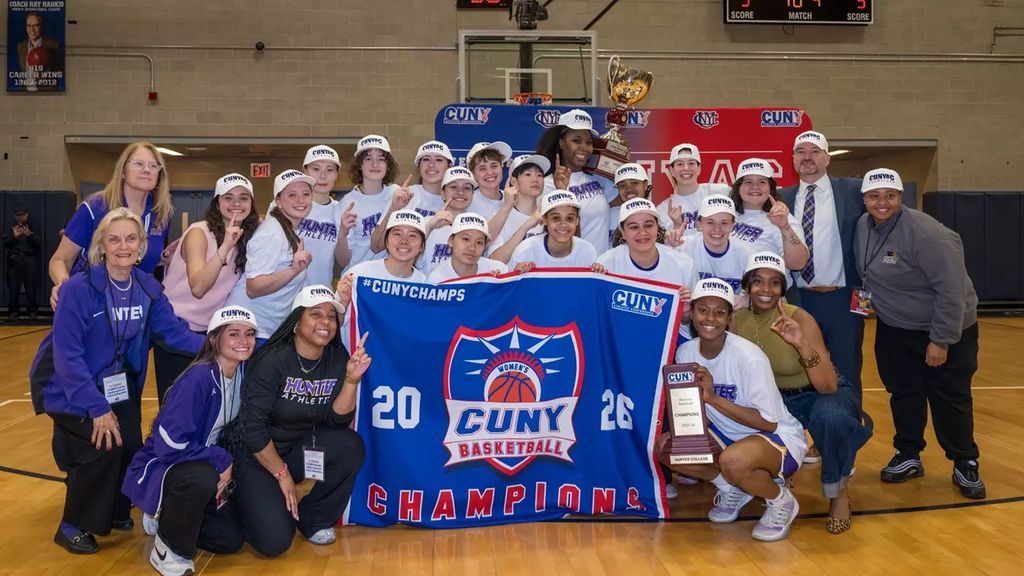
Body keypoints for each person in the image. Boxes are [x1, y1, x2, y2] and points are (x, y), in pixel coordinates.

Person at [28, 208, 203, 555]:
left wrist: (228, 346)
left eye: (131, 238)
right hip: (67, 386)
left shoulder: (148, 287)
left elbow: (176, 335)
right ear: (102, 246)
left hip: (118, 385)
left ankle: (116, 510)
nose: (123, 245)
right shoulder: (78, 290)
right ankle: (72, 524)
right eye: (114, 238)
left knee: (133, 444)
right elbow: (68, 358)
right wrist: (97, 408)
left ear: (141, 247)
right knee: (104, 444)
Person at [854, 168, 985, 499]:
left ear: (901, 197)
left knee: (949, 396)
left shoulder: (929, 235)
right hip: (896, 328)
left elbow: (952, 292)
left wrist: (941, 340)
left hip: (944, 327)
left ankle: (964, 460)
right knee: (903, 392)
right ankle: (909, 454)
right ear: (864, 199)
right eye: (874, 196)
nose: (881, 203)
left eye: (889, 196)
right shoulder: (862, 226)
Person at [733, 251, 871, 533]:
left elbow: (828, 386)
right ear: (747, 286)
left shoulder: (800, 318)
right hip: (774, 399)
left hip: (816, 391)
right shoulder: (736, 321)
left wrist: (801, 345)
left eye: (774, 283)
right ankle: (780, 474)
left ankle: (839, 493)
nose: (766, 290)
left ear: (783, 288)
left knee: (832, 417)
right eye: (757, 281)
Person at [666, 278, 807, 542]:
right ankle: (733, 486)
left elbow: (768, 423)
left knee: (733, 460)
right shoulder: (685, 352)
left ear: (730, 318)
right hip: (727, 436)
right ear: (692, 315)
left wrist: (713, 398)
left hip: (777, 439)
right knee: (666, 447)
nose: (711, 318)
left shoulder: (748, 357)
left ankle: (781, 501)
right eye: (703, 310)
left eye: (720, 312)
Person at [233, 285, 369, 557]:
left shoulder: (336, 358)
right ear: (296, 322)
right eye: (315, 314)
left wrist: (352, 379)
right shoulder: (272, 360)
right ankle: (239, 502)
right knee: (275, 542)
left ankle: (314, 518)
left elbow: (337, 421)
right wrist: (281, 474)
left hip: (298, 452)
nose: (326, 322)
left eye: (331, 316)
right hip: (259, 456)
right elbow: (253, 428)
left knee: (349, 445)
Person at [122, 305, 257, 575]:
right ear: (214, 339)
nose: (244, 341)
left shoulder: (241, 373)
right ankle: (169, 549)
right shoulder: (198, 378)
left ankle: (165, 516)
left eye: (250, 334)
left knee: (228, 540)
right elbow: (169, 446)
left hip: (200, 463)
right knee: (201, 477)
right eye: (234, 334)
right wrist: (220, 459)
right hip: (163, 465)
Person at [154, 173, 260, 404]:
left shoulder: (249, 237)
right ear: (217, 202)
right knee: (176, 405)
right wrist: (224, 248)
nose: (236, 204)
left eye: (243, 198)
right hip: (177, 328)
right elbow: (198, 287)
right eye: (228, 198)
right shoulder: (198, 233)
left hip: (210, 331)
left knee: (207, 405)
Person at [778, 131, 866, 400]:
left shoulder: (854, 191)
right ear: (792, 158)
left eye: (815, 151)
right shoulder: (781, 198)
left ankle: (848, 436)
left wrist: (865, 304)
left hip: (848, 297)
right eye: (801, 152)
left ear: (827, 158)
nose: (807, 157)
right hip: (799, 298)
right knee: (800, 370)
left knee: (848, 368)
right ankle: (805, 437)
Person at [49, 142, 174, 309]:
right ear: (123, 171)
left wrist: (163, 258)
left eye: (153, 166)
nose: (146, 170)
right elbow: (60, 260)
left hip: (135, 305)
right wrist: (64, 288)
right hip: (92, 303)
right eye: (138, 164)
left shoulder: (162, 214)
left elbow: (136, 260)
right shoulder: (95, 208)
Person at [225, 169, 314, 344]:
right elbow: (253, 288)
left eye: (305, 194)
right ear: (278, 202)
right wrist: (293, 270)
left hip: (262, 328)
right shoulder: (272, 233)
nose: (301, 200)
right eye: (292, 195)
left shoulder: (286, 229)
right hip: (250, 330)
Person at [537, 108, 616, 253]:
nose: (584, 148)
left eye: (589, 142)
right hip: (572, 266)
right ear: (561, 143)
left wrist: (620, 160)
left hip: (601, 268)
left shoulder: (599, 178)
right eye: (576, 140)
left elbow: (627, 202)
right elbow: (561, 235)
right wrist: (561, 191)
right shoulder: (546, 185)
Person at [368, 140, 454, 256]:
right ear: (419, 166)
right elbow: (376, 247)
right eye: (426, 159)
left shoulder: (459, 200)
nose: (431, 165)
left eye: (439, 160)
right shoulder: (405, 195)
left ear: (449, 166)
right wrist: (393, 208)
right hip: (407, 271)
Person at [290, 145, 355, 287]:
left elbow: (343, 261)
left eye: (330, 170)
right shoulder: (288, 205)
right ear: (305, 171)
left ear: (337, 174)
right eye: (316, 169)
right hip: (285, 295)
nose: (323, 176)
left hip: (319, 295)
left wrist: (343, 233)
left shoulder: (341, 210)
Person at [728, 158, 809, 270]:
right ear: (738, 187)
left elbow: (798, 264)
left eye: (762, 182)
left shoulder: (783, 218)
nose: (755, 187)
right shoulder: (725, 214)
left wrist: (784, 227)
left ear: (770, 188)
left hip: (767, 286)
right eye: (748, 182)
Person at [677, 195, 753, 298]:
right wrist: (669, 246)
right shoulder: (683, 247)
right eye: (710, 222)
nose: (717, 229)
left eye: (724, 223)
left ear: (732, 226)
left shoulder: (746, 254)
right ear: (699, 224)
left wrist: (747, 299)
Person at [344, 135, 399, 271]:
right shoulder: (347, 203)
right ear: (359, 165)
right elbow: (343, 259)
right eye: (368, 159)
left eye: (381, 159)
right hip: (357, 276)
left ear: (388, 166)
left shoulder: (397, 193)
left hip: (389, 277)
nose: (375, 165)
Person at [655, 143, 729, 237]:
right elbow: (668, 247)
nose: (686, 168)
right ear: (671, 171)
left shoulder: (721, 192)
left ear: (699, 169)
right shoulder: (662, 210)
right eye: (680, 164)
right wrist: (677, 225)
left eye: (691, 163)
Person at [509, 191, 597, 269]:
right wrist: (518, 274)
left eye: (570, 218)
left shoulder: (587, 251)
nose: (563, 224)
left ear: (577, 221)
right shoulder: (525, 250)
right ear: (544, 219)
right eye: (556, 218)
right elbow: (510, 285)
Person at [487, 154, 549, 263]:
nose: (535, 179)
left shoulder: (549, 214)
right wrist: (524, 228)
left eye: (539, 175)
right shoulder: (501, 217)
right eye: (528, 174)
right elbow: (495, 260)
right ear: (514, 181)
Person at [418, 166, 478, 276]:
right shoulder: (425, 223)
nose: (460, 192)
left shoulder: (478, 226)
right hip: (432, 289)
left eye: (467, 188)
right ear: (443, 193)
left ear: (473, 194)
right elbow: (407, 258)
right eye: (454, 187)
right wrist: (430, 226)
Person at [344, 209, 428, 284]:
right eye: (397, 234)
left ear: (422, 245)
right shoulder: (358, 275)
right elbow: (338, 301)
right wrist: (343, 300)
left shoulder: (425, 285)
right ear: (386, 242)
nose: (404, 241)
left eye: (412, 235)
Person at [427, 212, 509, 283]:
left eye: (479, 242)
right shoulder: (437, 280)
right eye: (466, 239)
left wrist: (499, 285)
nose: (472, 248)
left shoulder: (499, 270)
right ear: (451, 241)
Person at [4, 209, 40, 320]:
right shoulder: (11, 227)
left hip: (29, 258)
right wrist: (14, 237)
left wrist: (29, 235)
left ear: (27, 215)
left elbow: (38, 243)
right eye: (18, 215)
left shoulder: (33, 226)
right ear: (15, 216)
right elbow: (4, 243)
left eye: (22, 215)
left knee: (31, 287)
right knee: (13, 287)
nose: (20, 217)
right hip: (15, 258)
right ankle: (14, 311)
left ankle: (32, 311)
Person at [608, 163, 652, 248]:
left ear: (645, 185)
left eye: (634, 183)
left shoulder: (656, 215)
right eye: (622, 185)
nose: (628, 189)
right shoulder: (607, 215)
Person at [467, 141, 513, 220]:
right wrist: (507, 206)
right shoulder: (467, 203)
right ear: (473, 174)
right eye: (482, 168)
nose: (490, 172)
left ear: (501, 167)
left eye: (494, 166)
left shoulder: (512, 198)